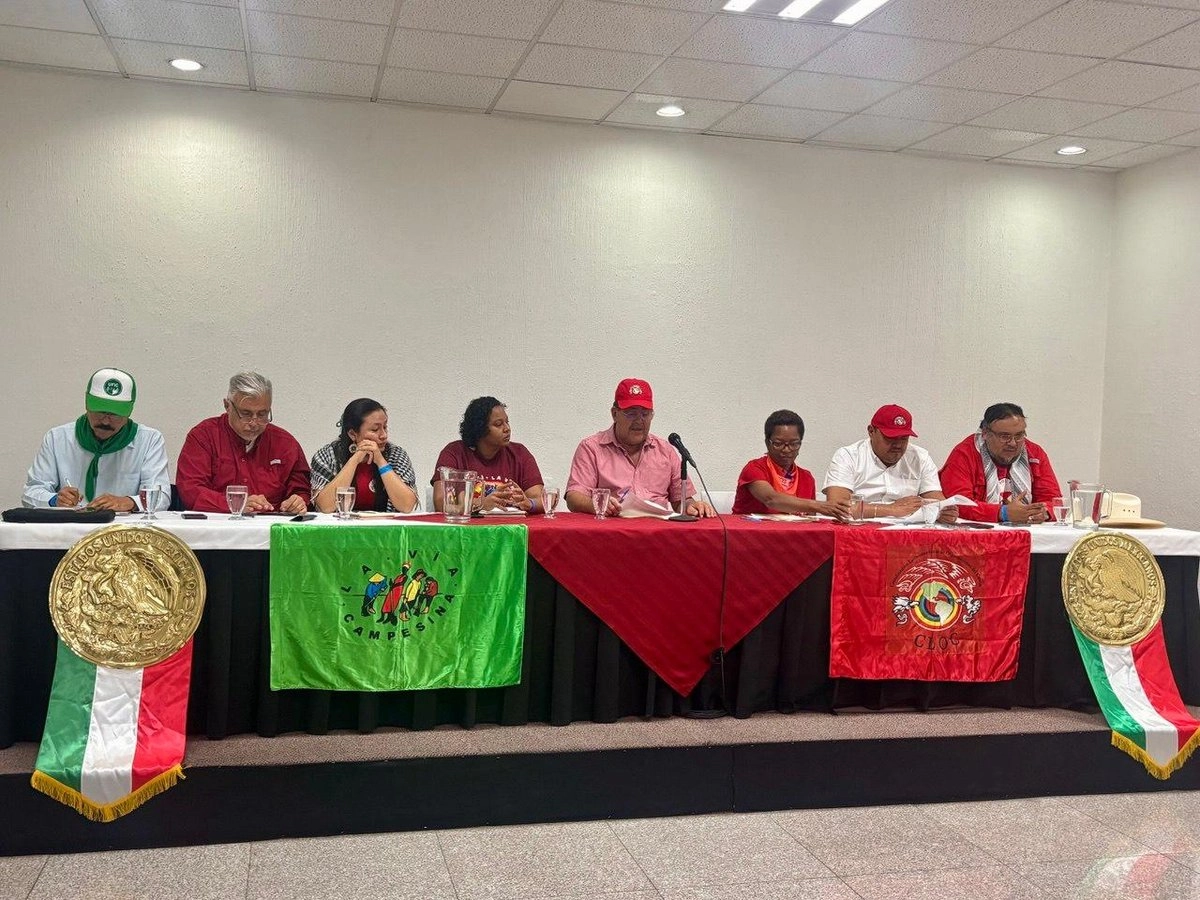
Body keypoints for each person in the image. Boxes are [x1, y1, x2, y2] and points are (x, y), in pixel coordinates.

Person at [22, 367, 170, 511]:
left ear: (129, 412)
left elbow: (161, 496)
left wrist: (130, 502)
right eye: (99, 411)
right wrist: (54, 499)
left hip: (125, 527)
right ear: (86, 404)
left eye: (115, 414)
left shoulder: (149, 440)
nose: (105, 421)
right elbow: (31, 492)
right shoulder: (57, 438)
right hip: (70, 525)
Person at [565, 378, 716, 518]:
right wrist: (598, 504)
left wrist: (691, 505)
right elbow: (574, 497)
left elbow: (681, 500)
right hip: (612, 531)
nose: (639, 420)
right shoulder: (591, 448)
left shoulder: (666, 450)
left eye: (645, 414)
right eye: (631, 413)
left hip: (658, 532)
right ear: (614, 414)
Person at [176, 372, 310, 514]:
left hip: (270, 525)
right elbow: (190, 491)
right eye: (246, 414)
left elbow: (302, 490)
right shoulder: (204, 437)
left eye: (262, 414)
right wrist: (235, 504)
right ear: (227, 406)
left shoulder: (285, 443)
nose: (254, 423)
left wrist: (297, 502)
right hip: (217, 525)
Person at [822, 404, 956, 522]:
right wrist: (890, 509)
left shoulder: (920, 458)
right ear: (871, 431)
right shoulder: (848, 456)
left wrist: (945, 512)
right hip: (858, 532)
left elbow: (937, 501)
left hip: (907, 534)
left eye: (904, 438)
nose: (898, 444)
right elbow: (836, 507)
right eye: (890, 437)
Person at [939, 402, 1061, 524]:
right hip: (978, 531)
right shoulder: (964, 453)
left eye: (1019, 435)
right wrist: (1003, 513)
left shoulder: (1035, 453)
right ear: (985, 433)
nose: (1013, 443)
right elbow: (957, 503)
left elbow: (1055, 501)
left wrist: (1043, 512)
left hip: (1029, 530)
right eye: (1005, 436)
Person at [431, 397, 545, 513]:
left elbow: (542, 500)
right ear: (480, 429)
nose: (507, 429)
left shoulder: (519, 453)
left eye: (507, 422)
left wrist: (529, 503)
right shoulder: (454, 453)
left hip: (511, 524)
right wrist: (481, 504)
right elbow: (441, 502)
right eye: (498, 424)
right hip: (468, 525)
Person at [732, 410, 851, 519]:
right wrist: (820, 506)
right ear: (767, 443)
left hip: (792, 534)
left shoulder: (806, 478)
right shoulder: (755, 468)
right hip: (751, 533)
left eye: (794, 444)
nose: (786, 449)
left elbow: (809, 520)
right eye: (778, 443)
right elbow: (771, 499)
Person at [310, 398, 419, 514]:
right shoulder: (327, 455)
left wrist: (381, 462)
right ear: (352, 434)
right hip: (340, 525)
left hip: (385, 525)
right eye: (375, 429)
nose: (384, 435)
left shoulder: (396, 454)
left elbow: (407, 506)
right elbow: (325, 507)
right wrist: (354, 460)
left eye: (385, 427)